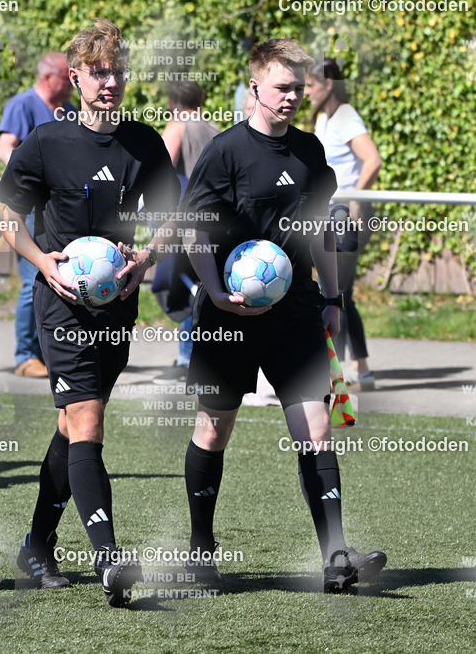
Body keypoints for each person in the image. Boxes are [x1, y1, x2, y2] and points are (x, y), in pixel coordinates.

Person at [181, 39, 386, 593]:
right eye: (281, 87)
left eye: (298, 87)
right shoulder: (223, 152)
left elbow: (322, 230)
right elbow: (194, 230)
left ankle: (335, 555)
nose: (292, 96)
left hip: (295, 314)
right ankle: (201, 552)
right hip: (229, 314)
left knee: (316, 429)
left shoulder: (311, 153)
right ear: (254, 88)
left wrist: (333, 299)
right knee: (213, 428)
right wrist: (216, 291)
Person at [0, 18, 180, 607]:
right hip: (63, 306)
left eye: (117, 72)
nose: (110, 83)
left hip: (117, 307)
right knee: (89, 424)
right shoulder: (46, 142)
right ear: (75, 77)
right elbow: (6, 219)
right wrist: (43, 265)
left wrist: (148, 256)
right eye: (99, 73)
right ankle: (109, 562)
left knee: (69, 425)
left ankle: (36, 546)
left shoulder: (143, 142)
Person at [0, 52, 77, 379]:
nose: (74, 82)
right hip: (30, 210)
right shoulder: (23, 105)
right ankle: (25, 356)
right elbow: (5, 148)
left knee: (66, 275)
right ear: (48, 78)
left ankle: (55, 348)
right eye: (67, 76)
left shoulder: (71, 111)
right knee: (35, 280)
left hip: (63, 210)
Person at [306, 58, 382, 390]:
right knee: (339, 293)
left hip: (348, 217)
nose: (304, 92)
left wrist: (354, 197)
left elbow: (373, 160)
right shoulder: (324, 118)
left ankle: (352, 368)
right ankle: (360, 368)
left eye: (309, 85)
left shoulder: (346, 116)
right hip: (330, 214)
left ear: (328, 85)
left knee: (336, 293)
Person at [151, 81, 220, 384]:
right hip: (212, 219)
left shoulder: (179, 123)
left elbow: (160, 168)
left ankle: (187, 360)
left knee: (187, 288)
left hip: (184, 217)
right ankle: (199, 358)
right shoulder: (213, 127)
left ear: (171, 102)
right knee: (203, 283)